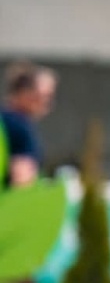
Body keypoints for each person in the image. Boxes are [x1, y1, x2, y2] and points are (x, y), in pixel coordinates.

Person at [2, 61, 56, 189]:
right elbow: (22, 179)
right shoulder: (20, 128)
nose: (48, 103)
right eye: (45, 96)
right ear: (24, 93)